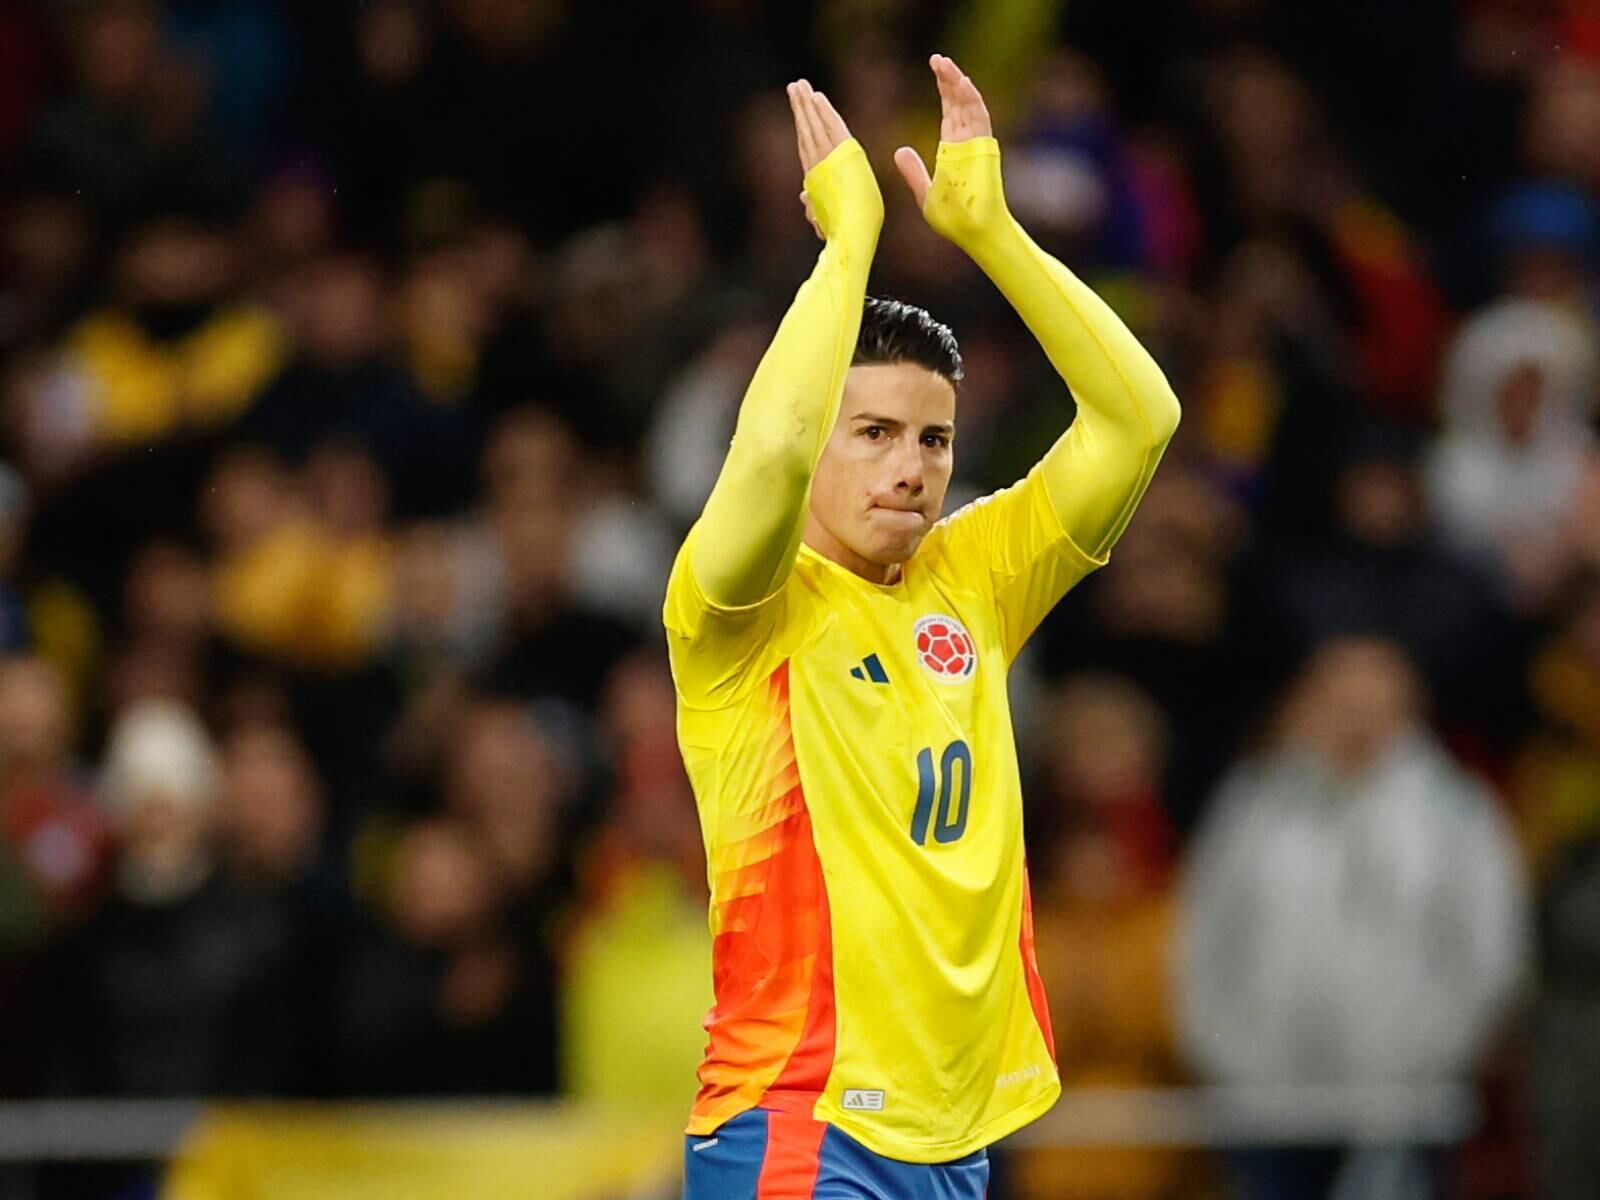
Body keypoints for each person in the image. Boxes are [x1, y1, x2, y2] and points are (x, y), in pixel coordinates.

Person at [665, 55, 1181, 1198]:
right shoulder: (739, 610)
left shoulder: (971, 580)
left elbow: (1140, 419)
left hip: (954, 1146)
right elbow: (769, 451)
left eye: (933, 441)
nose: (910, 469)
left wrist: (989, 230)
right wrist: (845, 248)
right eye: (875, 434)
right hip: (800, 1124)